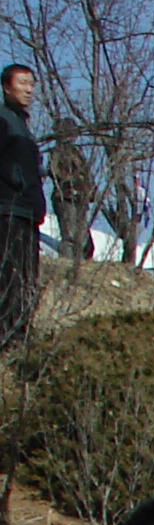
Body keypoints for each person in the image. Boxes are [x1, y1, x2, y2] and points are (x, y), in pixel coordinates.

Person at [0, 65, 42, 357]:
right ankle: (8, 342)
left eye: (31, 84)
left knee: (28, 281)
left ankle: (21, 341)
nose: (28, 90)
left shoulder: (21, 124)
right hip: (8, 210)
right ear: (6, 87)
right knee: (11, 279)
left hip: (27, 213)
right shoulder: (3, 120)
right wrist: (16, 179)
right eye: (22, 83)